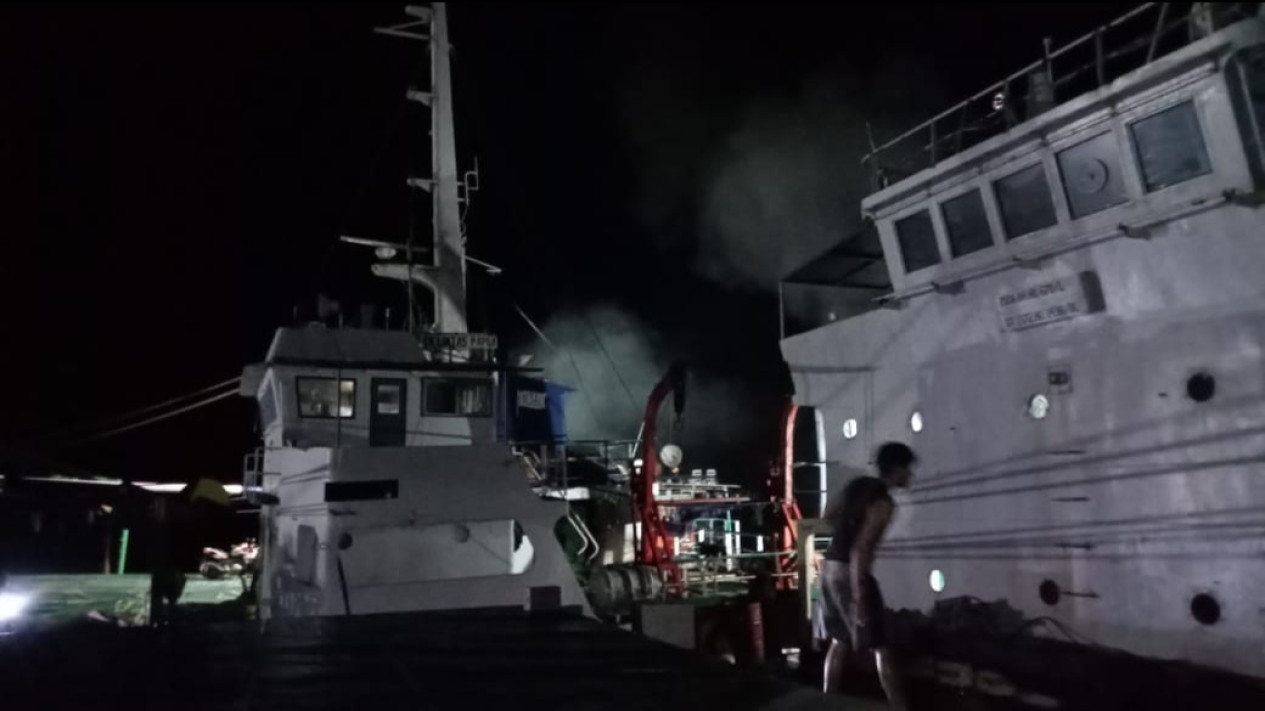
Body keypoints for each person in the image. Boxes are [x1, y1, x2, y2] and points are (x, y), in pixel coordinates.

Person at [820, 441, 915, 709]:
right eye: (907, 468)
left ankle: (825, 701)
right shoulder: (884, 503)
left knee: (839, 641)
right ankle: (899, 707)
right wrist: (859, 596)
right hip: (851, 572)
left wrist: (847, 527)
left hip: (829, 567)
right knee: (881, 645)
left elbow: (828, 515)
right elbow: (860, 549)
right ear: (896, 470)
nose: (910, 474)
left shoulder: (857, 485)